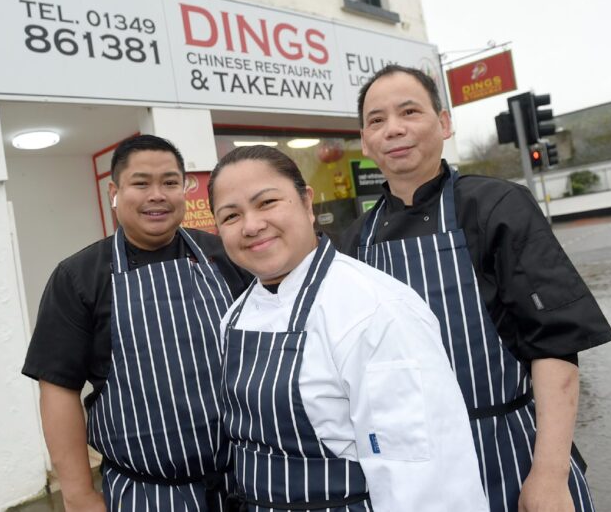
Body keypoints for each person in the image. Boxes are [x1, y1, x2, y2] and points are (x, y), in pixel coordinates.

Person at [339, 65, 611, 512]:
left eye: (409, 111)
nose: (393, 129)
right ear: (366, 141)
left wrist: (549, 473)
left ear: (444, 123)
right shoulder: (354, 243)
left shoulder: (497, 207)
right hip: (412, 469)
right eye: (376, 120)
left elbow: (555, 344)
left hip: (508, 449)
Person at [208, 145, 488, 511]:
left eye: (267, 203)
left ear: (307, 203)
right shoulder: (236, 316)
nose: (251, 225)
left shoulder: (374, 310)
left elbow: (423, 476)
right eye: (230, 216)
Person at [23, 135, 251, 511]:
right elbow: (59, 391)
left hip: (246, 482)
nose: (157, 195)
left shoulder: (223, 256)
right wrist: (79, 495)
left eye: (170, 182)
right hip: (146, 493)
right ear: (115, 191)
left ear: (185, 189)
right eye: (141, 183)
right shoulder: (79, 277)